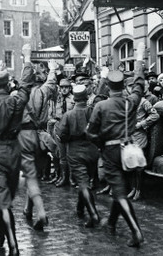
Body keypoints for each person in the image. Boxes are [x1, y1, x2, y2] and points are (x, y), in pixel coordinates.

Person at [86, 42, 147, 248]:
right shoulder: (131, 101)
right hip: (129, 151)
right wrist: (139, 59)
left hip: (111, 150)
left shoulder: (101, 106)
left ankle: (136, 232)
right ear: (123, 86)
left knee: (119, 192)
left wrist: (101, 143)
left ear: (109, 87)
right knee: (119, 187)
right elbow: (139, 84)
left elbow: (90, 133)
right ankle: (111, 223)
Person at [0, 44, 33, 255]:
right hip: (13, 151)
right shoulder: (15, 101)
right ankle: (2, 236)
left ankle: (13, 245)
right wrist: (27, 58)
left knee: (3, 201)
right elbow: (26, 85)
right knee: (8, 198)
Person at [19, 59, 59, 231]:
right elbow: (52, 82)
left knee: (30, 177)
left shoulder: (18, 95)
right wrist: (52, 69)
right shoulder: (43, 91)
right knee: (35, 176)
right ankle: (28, 209)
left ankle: (39, 212)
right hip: (42, 139)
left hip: (25, 139)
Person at [55, 85, 101, 227]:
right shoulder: (92, 111)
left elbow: (61, 136)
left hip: (75, 151)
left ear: (74, 99)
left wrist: (69, 138)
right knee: (86, 179)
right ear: (86, 97)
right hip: (92, 151)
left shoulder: (68, 115)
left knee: (82, 182)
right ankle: (80, 208)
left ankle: (93, 214)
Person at [124, 77, 160, 201]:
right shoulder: (126, 101)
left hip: (139, 136)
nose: (131, 90)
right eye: (129, 87)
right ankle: (133, 188)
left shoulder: (144, 101)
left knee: (139, 166)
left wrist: (142, 124)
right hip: (129, 136)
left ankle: (139, 190)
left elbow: (155, 115)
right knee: (130, 164)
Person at [48, 78, 75, 187]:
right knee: (58, 154)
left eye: (66, 87)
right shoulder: (55, 99)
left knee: (70, 154)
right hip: (58, 127)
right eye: (62, 87)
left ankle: (71, 178)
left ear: (70, 88)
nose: (64, 90)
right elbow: (50, 113)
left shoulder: (73, 99)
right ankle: (60, 176)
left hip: (69, 129)